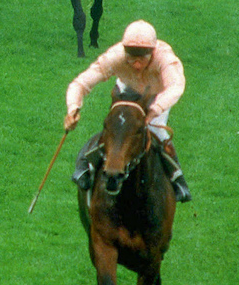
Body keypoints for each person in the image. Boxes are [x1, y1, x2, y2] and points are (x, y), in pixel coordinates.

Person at [64, 19, 192, 203]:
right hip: (128, 91)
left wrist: (154, 110)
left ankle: (177, 178)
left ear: (153, 51)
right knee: (118, 126)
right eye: (131, 57)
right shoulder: (115, 56)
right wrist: (73, 109)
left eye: (143, 57)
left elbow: (175, 87)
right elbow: (81, 83)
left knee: (157, 129)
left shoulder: (166, 59)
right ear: (124, 51)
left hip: (157, 96)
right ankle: (85, 165)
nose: (137, 64)